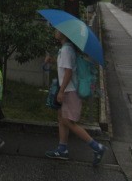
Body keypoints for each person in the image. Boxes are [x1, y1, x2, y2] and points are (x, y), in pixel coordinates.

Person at [45, 29, 106, 166]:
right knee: (61, 118)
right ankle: (62, 149)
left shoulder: (66, 50)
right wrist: (52, 60)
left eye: (57, 30)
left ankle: (97, 147)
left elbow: (68, 72)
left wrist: (61, 91)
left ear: (64, 33)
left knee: (68, 121)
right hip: (68, 90)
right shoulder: (66, 48)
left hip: (69, 91)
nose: (55, 31)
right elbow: (65, 67)